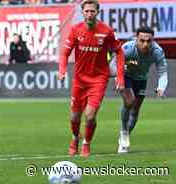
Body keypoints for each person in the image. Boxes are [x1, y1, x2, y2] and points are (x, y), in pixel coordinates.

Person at [58, 0, 125, 157]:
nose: (89, 14)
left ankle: (86, 143)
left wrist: (120, 76)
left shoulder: (106, 31)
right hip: (79, 79)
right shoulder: (76, 30)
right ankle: (75, 138)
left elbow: (119, 51)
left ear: (97, 12)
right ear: (82, 13)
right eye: (86, 11)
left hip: (99, 79)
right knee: (74, 116)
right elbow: (65, 52)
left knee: (90, 115)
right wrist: (61, 69)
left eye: (92, 11)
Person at [110, 26, 168, 154]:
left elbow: (162, 72)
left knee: (135, 110)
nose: (145, 44)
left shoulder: (157, 51)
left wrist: (161, 87)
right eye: (142, 40)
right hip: (125, 76)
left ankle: (124, 136)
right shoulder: (127, 49)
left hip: (141, 79)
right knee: (129, 102)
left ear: (153, 40)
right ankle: (124, 131)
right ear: (136, 39)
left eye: (149, 41)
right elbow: (112, 66)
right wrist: (120, 72)